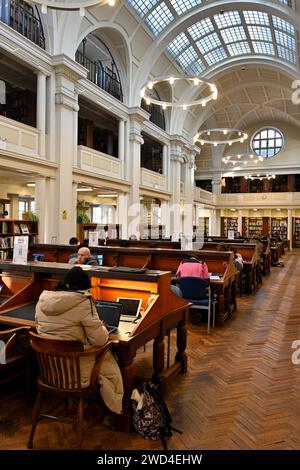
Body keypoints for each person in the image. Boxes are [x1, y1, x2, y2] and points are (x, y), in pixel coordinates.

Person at [35, 266, 123, 415]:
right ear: (82, 288)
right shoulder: (83, 302)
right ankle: (116, 413)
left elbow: (39, 327)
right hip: (76, 374)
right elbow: (100, 340)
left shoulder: (43, 299)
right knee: (113, 362)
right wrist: (101, 327)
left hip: (50, 371)